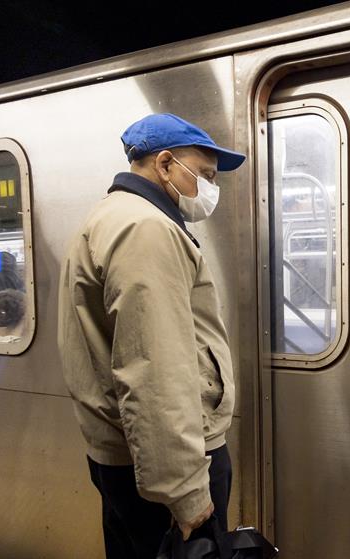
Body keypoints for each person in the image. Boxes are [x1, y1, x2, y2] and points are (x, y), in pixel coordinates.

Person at [57, 113, 246, 559]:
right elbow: (156, 371)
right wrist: (186, 496)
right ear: (164, 164)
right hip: (169, 465)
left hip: (126, 455)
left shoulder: (108, 217)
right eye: (203, 175)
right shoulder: (146, 229)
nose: (208, 189)